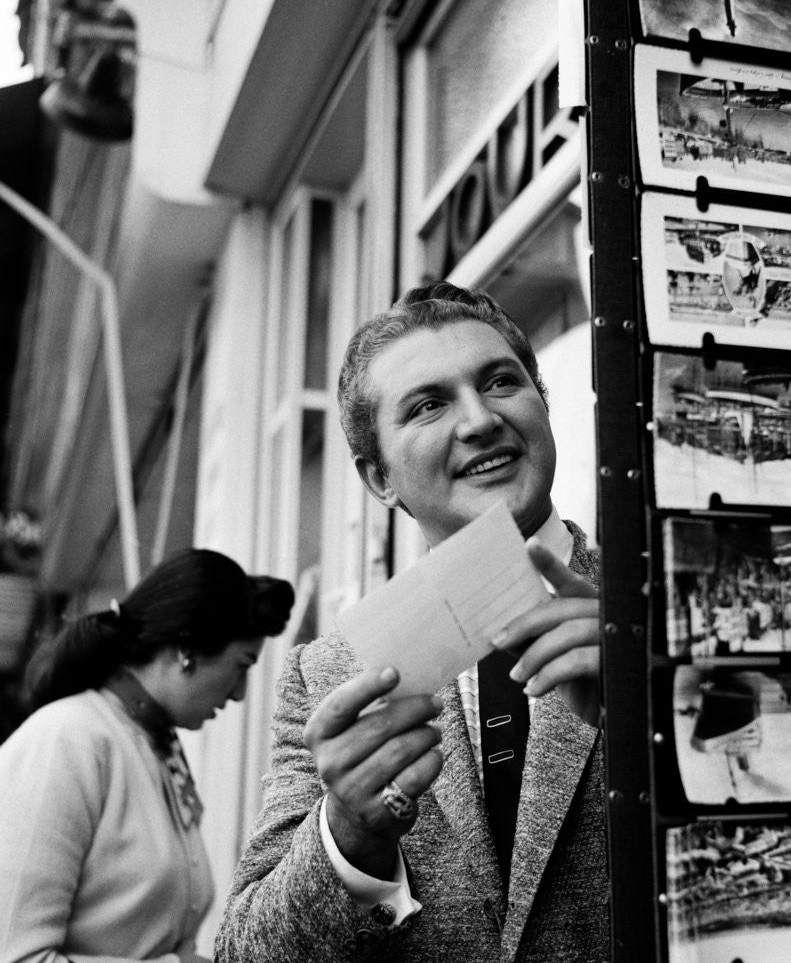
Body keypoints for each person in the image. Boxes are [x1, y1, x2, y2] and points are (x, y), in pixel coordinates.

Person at [216, 283, 607, 962]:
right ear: (378, 479)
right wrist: (346, 837)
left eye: (501, 381)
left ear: (543, 406)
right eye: (429, 404)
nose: (481, 419)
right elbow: (248, 952)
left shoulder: (666, 605)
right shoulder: (330, 675)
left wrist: (657, 713)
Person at [0, 548, 295, 963]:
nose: (239, 693)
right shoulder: (66, 739)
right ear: (187, 650)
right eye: (242, 665)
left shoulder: (156, 747)